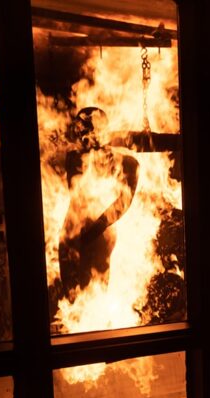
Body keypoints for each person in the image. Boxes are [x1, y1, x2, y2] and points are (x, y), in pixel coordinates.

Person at [57, 106, 139, 302]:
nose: (82, 137)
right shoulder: (73, 158)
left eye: (86, 131)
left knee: (95, 300)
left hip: (96, 235)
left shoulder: (126, 164)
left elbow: (122, 202)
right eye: (79, 132)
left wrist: (94, 230)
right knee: (73, 303)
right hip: (73, 236)